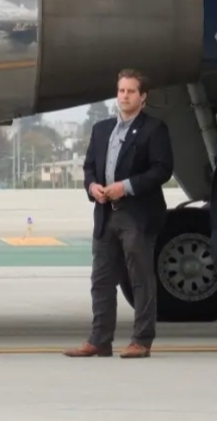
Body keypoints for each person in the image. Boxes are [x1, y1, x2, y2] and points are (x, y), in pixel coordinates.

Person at [66, 68, 173, 359]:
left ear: (143, 97)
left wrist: (125, 187)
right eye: (121, 91)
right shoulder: (102, 129)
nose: (124, 96)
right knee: (101, 279)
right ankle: (100, 340)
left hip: (137, 215)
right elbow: (89, 166)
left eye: (130, 91)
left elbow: (163, 169)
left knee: (140, 278)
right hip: (104, 214)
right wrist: (92, 187)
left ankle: (141, 340)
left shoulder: (153, 129)